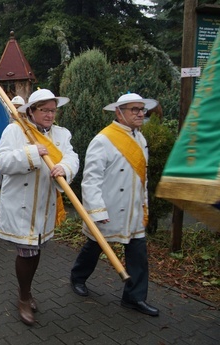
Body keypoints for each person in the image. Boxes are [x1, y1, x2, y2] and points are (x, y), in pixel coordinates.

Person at [70, 92, 160, 317]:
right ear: (119, 113)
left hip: (133, 209)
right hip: (108, 209)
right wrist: (97, 210)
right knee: (94, 247)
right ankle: (77, 277)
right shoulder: (103, 139)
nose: (141, 114)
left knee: (138, 255)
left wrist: (144, 205)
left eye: (142, 109)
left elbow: (143, 179)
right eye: (134, 110)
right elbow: (91, 180)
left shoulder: (141, 138)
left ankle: (134, 297)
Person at [0, 89, 79, 326]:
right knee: (27, 251)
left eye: (53, 110)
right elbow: (1, 162)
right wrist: (32, 153)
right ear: (31, 111)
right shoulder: (15, 131)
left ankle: (27, 291)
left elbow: (72, 157)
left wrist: (65, 168)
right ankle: (23, 297)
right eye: (44, 110)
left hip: (45, 203)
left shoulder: (62, 134)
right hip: (20, 205)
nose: (50, 115)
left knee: (36, 249)